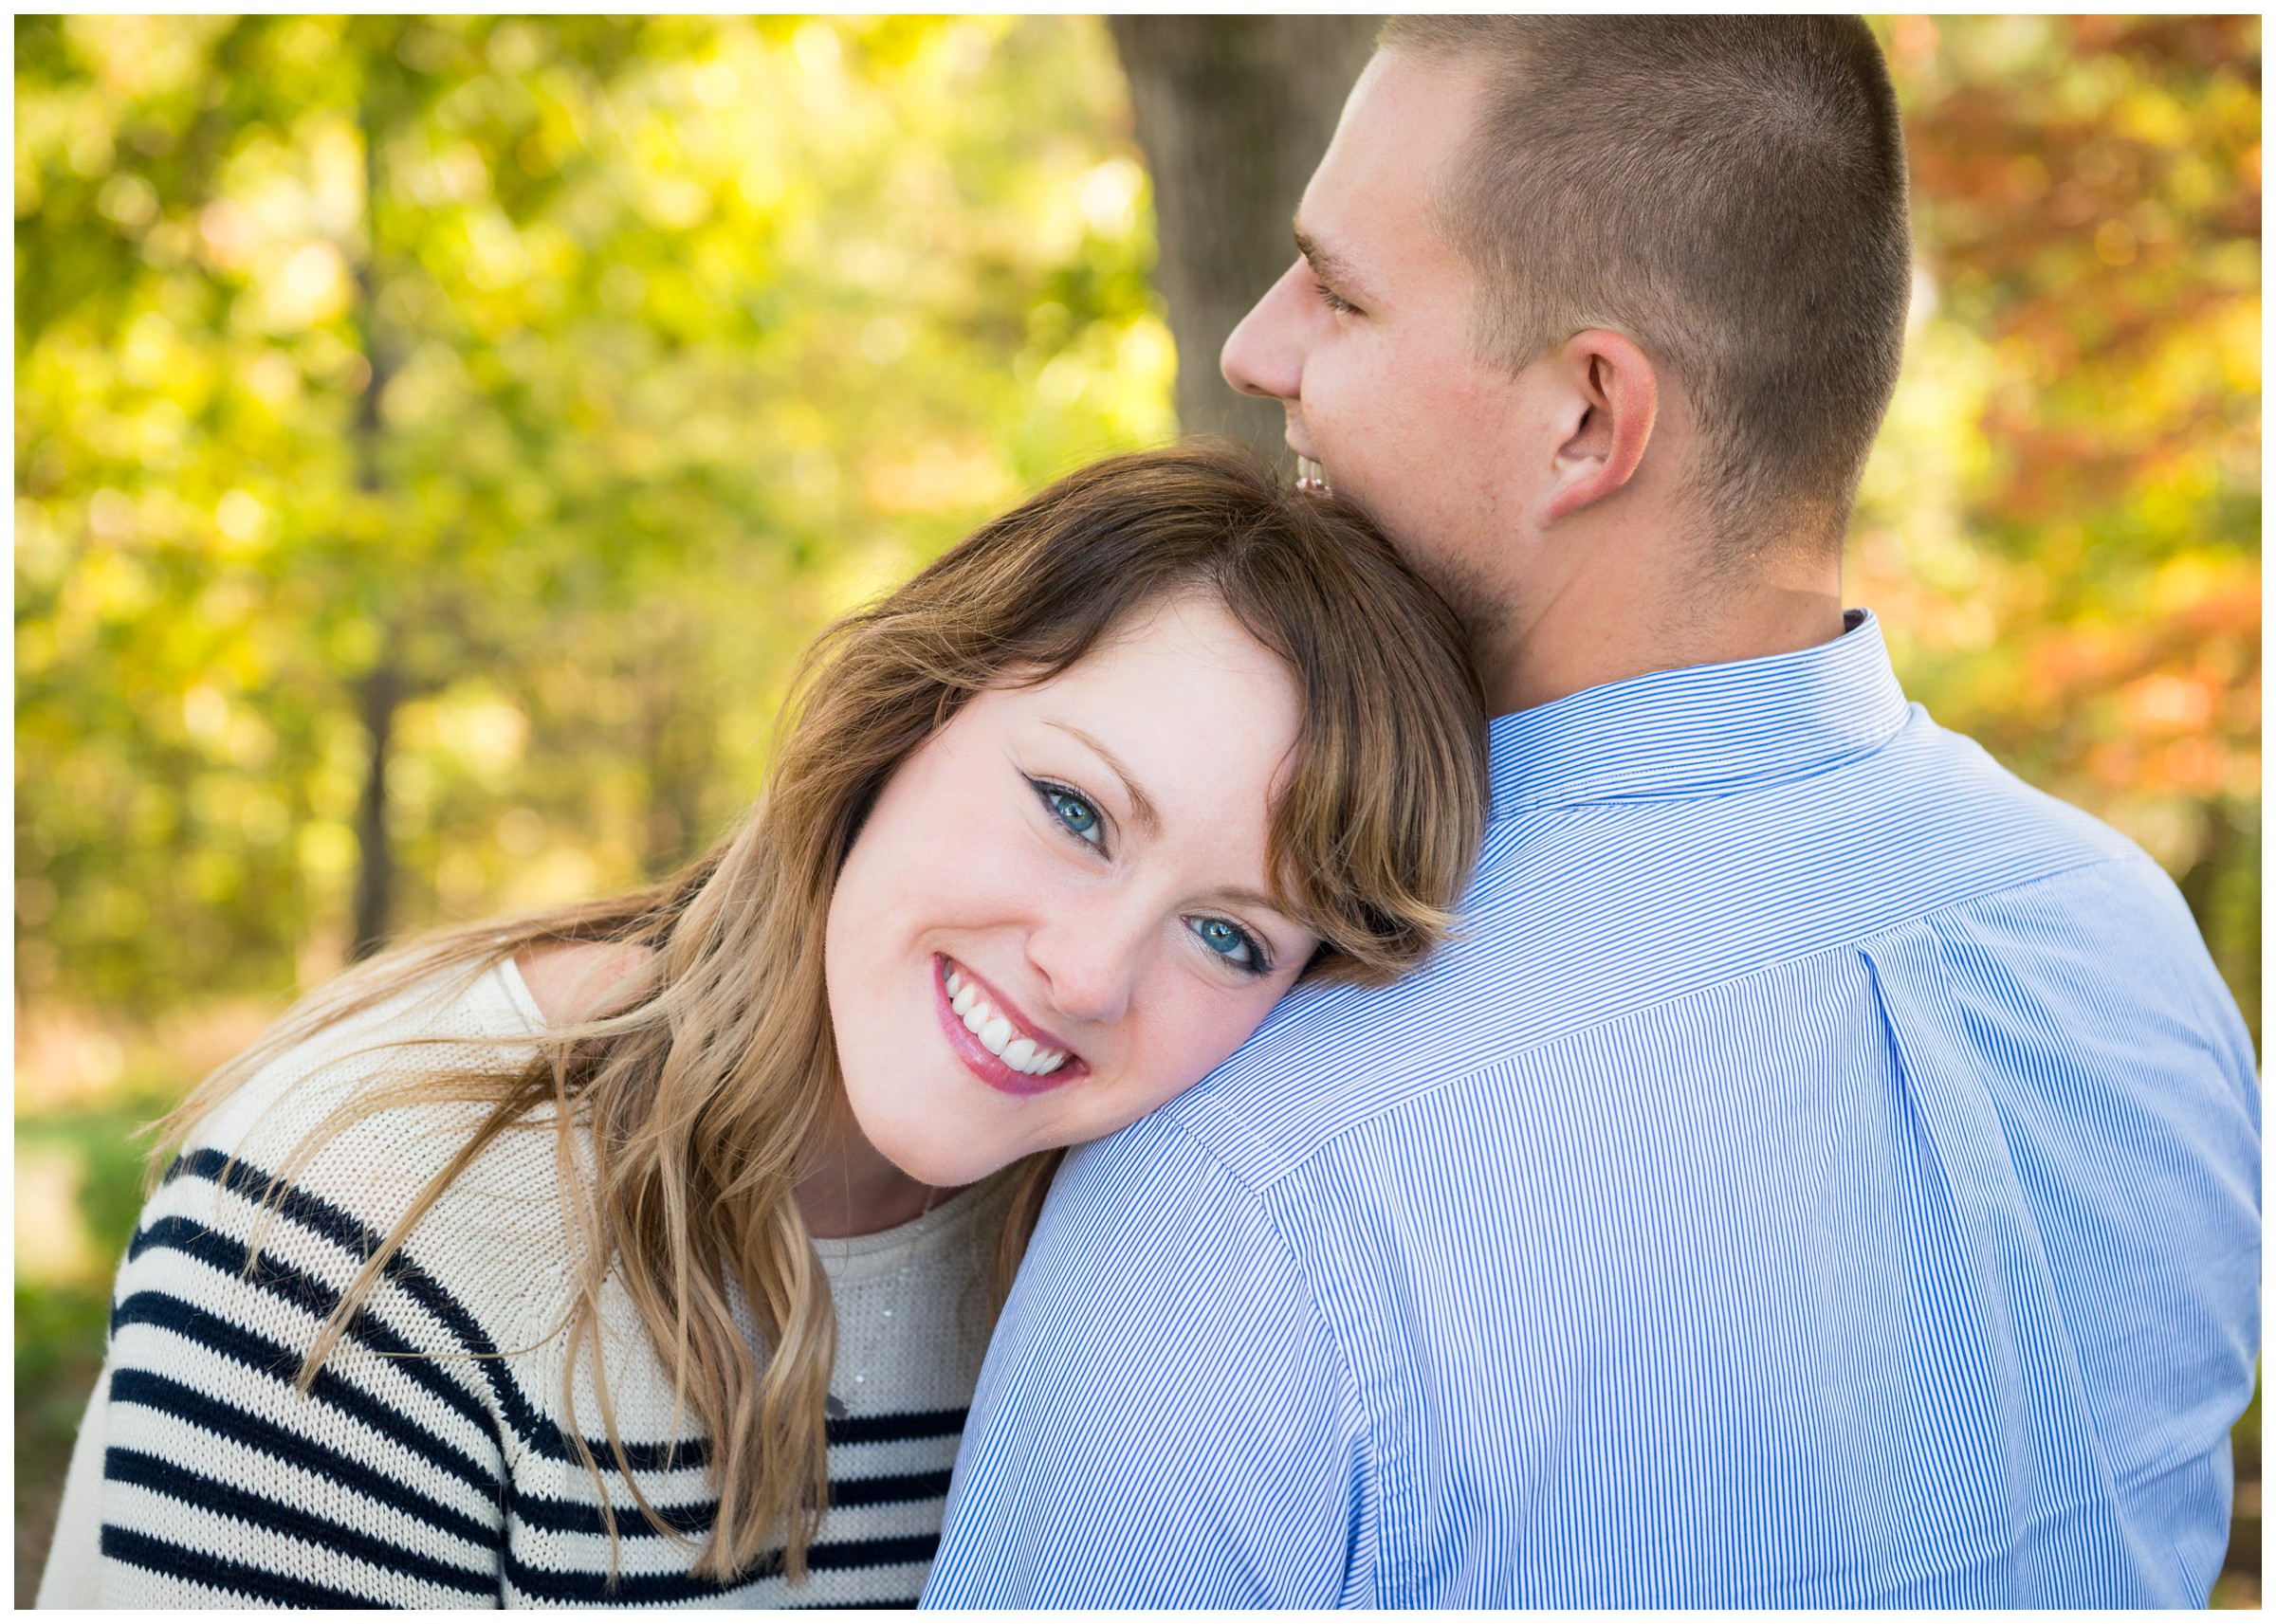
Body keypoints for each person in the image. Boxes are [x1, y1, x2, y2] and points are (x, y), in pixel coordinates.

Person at [924, 18, 2261, 1609]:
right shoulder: (2133, 954)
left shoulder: (1239, 1174)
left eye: (1342, 293)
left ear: (1585, 421)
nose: (1258, 348)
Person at [34, 444, 1490, 1608]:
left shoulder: (1138, 1289)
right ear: (906, 713)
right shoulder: (362, 1217)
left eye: (1229, 934)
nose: (1091, 972)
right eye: (1074, 810)